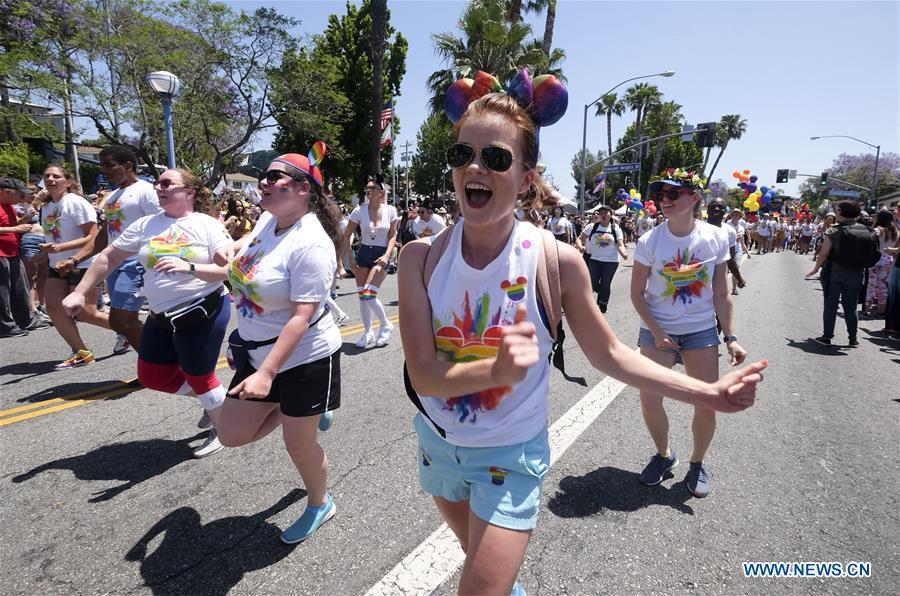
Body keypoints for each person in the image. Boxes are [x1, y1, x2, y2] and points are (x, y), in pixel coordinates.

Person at [400, 83, 766, 596]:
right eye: (463, 154)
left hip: (509, 455)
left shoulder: (556, 262)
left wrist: (709, 393)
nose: (475, 167)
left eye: (495, 157)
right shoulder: (420, 258)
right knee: (480, 565)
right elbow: (423, 375)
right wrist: (497, 370)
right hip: (437, 445)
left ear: (526, 179)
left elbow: (611, 354)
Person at [214, 147, 343, 544]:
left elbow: (301, 318)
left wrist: (268, 374)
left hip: (305, 357)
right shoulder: (268, 220)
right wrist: (231, 250)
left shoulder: (313, 245)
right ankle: (302, 412)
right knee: (230, 433)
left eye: (274, 177)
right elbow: (249, 250)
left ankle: (320, 503)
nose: (264, 183)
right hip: (257, 351)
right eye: (264, 177)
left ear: (303, 189)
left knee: (298, 446)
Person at [63, 167, 231, 456]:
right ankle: (217, 403)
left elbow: (226, 268)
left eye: (168, 183)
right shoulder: (146, 225)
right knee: (153, 377)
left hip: (203, 309)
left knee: (200, 376)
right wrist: (79, 291)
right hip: (160, 314)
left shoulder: (206, 224)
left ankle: (225, 428)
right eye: (158, 183)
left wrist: (198, 264)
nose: (159, 187)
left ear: (189, 193)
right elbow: (109, 257)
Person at [631, 168, 751, 499]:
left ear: (693, 198)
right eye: (660, 195)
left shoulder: (715, 237)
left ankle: (698, 462)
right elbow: (636, 295)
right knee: (650, 399)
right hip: (658, 330)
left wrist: (730, 336)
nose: (664, 201)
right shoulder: (648, 241)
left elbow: (720, 292)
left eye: (672, 194)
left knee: (706, 401)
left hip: (700, 331)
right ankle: (665, 455)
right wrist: (656, 332)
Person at [68, 146, 162, 356]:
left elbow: (163, 228)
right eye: (102, 165)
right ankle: (157, 360)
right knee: (119, 321)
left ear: (128, 166)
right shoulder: (112, 197)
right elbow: (104, 236)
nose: (104, 170)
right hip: (113, 263)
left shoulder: (146, 191)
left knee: (121, 319)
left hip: (136, 262)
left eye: (109, 165)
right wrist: (76, 259)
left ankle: (157, 362)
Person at [39, 165, 111, 368]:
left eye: (56, 176)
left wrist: (61, 248)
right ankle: (81, 352)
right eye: (47, 176)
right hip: (56, 265)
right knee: (53, 307)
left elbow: (93, 236)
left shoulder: (75, 203)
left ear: (68, 182)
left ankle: (128, 329)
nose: (51, 179)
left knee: (85, 313)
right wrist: (45, 254)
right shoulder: (45, 207)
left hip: (83, 264)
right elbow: (52, 237)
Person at [805, 201, 876, 347]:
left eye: (837, 210)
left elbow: (824, 254)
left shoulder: (833, 231)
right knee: (851, 307)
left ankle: (827, 336)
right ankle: (853, 338)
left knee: (830, 305)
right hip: (857, 273)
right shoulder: (866, 230)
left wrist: (815, 269)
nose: (836, 212)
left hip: (835, 272)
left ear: (841, 212)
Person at [343, 175, 399, 348]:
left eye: (372, 188)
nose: (368, 191)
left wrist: (386, 256)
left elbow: (392, 237)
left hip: (381, 254)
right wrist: (350, 259)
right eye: (367, 188)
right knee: (362, 296)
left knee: (369, 294)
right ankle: (367, 333)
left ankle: (385, 324)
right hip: (363, 253)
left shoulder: (391, 210)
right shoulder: (359, 211)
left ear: (380, 192)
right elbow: (346, 235)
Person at [0, 177, 49, 338]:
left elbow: (11, 227)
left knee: (19, 290)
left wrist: (25, 219)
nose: (22, 199)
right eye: (20, 196)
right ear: (7, 192)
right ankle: (5, 327)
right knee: (3, 293)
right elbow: (12, 228)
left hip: (13, 253)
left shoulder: (9, 207)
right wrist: (16, 227)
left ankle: (26, 321)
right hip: (2, 255)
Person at [577, 205, 627, 313]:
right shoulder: (592, 227)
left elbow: (620, 244)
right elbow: (580, 239)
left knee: (605, 283)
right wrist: (580, 246)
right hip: (594, 259)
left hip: (611, 261)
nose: (603, 215)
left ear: (611, 215)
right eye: (601, 213)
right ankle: (601, 292)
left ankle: (603, 304)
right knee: (592, 282)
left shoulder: (615, 228)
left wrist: (623, 253)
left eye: (606, 213)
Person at [706, 199, 747, 293]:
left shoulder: (730, 231)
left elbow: (730, 258)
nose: (717, 208)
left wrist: (739, 278)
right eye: (713, 206)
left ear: (725, 212)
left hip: (719, 276)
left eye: (721, 207)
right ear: (708, 210)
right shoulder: (696, 227)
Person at [864, 210, 898, 318]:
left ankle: (866, 310)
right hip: (888, 259)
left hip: (876, 259)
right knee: (883, 285)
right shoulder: (896, 231)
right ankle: (881, 311)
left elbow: (869, 241)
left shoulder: (877, 230)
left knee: (871, 284)